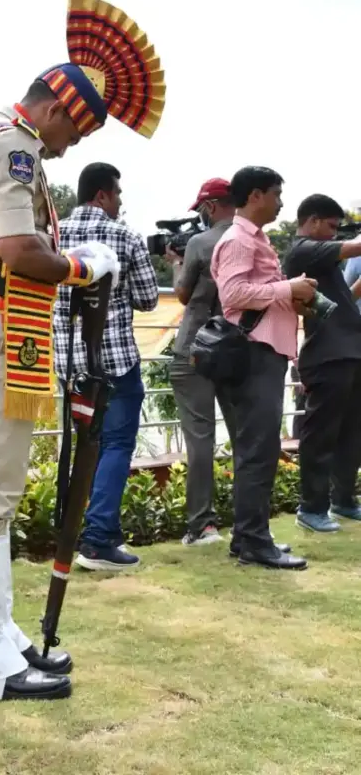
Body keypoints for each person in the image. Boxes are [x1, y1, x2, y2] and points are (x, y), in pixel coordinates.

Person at [0, 0, 165, 702]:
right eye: (80, 129)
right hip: (2, 317)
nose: (74, 147)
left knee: (2, 492)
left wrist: (66, 258)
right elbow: (21, 251)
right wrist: (83, 267)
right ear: (58, 108)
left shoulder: (12, 144)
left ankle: (2, 637)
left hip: (12, 319)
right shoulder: (14, 147)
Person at [211, 166, 317, 571]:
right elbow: (233, 295)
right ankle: (254, 540)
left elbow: (254, 293)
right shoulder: (238, 240)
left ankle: (248, 536)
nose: (281, 202)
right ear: (255, 196)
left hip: (263, 353)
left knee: (258, 449)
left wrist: (293, 296)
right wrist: (287, 289)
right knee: (258, 451)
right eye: (276, 194)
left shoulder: (254, 239)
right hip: (254, 354)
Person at [54, 162, 158, 571]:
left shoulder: (53, 234)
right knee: (115, 444)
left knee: (82, 446)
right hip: (115, 362)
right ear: (102, 194)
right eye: (116, 195)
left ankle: (70, 534)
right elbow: (149, 299)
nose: (119, 202)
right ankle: (98, 540)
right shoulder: (125, 235)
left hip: (68, 363)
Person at [284, 195, 361, 533]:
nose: (334, 234)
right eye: (331, 227)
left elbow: (339, 300)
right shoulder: (303, 250)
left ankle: (343, 500)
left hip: (349, 352)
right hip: (327, 357)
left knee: (351, 434)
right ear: (312, 221)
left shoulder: (320, 260)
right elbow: (353, 248)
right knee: (321, 436)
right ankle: (311, 508)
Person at [167, 178, 237, 546]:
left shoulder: (200, 242)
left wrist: (177, 263)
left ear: (210, 207)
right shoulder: (251, 240)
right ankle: (250, 519)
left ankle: (202, 525)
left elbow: (182, 294)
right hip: (236, 349)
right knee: (244, 436)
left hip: (195, 347)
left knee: (199, 439)